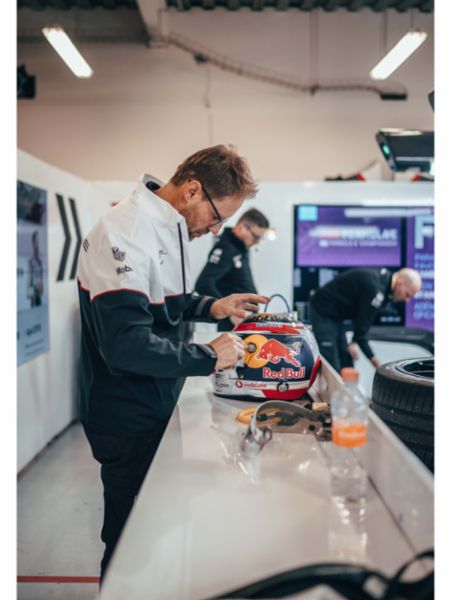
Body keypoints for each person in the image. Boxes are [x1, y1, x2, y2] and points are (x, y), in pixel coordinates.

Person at [76, 144, 269, 582]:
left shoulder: (168, 227)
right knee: (129, 545)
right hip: (125, 412)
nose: (218, 230)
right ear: (193, 191)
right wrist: (207, 356)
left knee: (157, 532)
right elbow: (126, 346)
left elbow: (167, 306)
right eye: (218, 217)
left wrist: (213, 306)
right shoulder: (124, 232)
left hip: (156, 399)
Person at [309, 267, 421, 374]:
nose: (407, 300)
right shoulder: (376, 290)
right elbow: (361, 334)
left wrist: (353, 342)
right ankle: (330, 393)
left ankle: (345, 392)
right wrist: (379, 366)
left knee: (346, 360)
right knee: (332, 365)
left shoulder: (385, 280)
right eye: (407, 295)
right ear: (400, 283)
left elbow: (360, 321)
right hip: (322, 310)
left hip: (338, 316)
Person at [195, 208, 270, 331]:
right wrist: (230, 311)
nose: (257, 242)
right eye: (256, 237)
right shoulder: (226, 248)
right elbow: (203, 284)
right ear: (242, 227)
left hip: (243, 321)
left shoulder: (240, 248)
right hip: (231, 324)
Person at [27, 230, 44, 308]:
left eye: (39, 241)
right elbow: (29, 283)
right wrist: (34, 289)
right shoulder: (30, 262)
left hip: (40, 297)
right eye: (36, 241)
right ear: (33, 243)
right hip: (34, 298)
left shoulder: (40, 262)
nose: (38, 244)